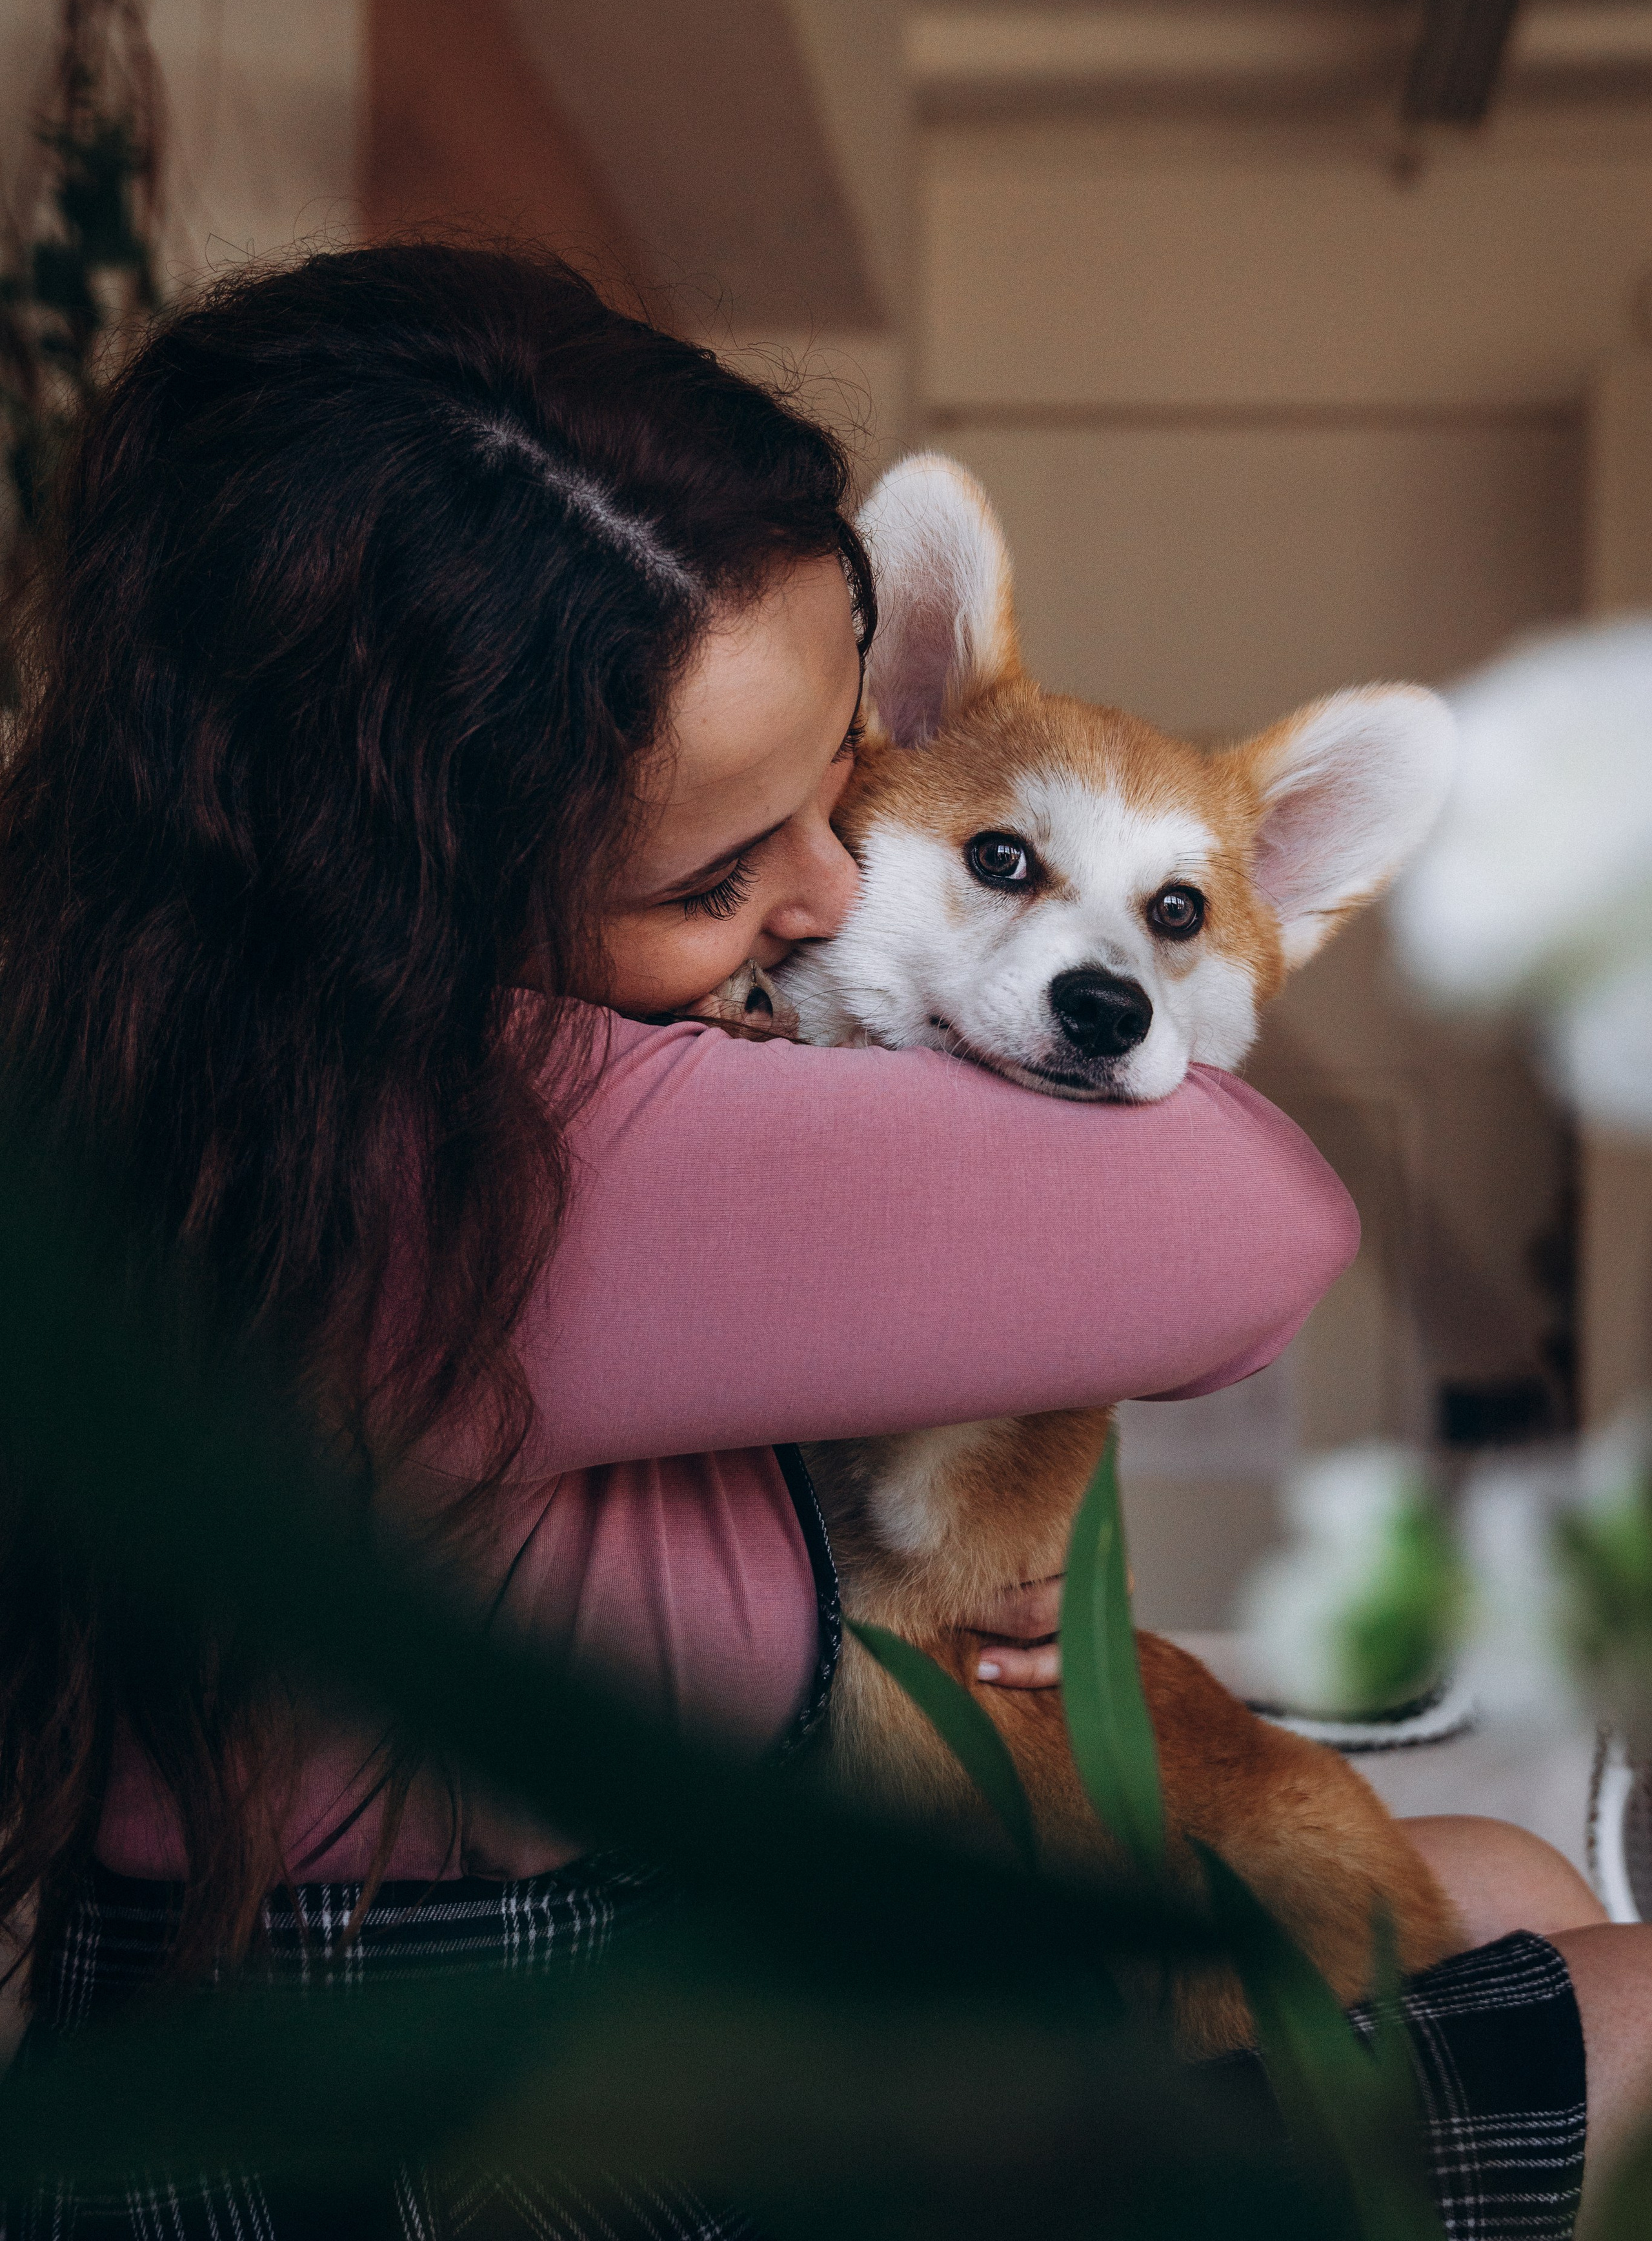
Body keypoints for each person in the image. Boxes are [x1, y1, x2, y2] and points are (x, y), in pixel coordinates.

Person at [0, 244, 1641, 2239]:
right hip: (478, 2148)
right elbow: (1255, 1224)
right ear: (433, 876)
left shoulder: (212, 1074)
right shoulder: (532, 1139)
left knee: (1497, 1883)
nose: (830, 885)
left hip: (384, 2043)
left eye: (839, 783)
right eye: (718, 865)